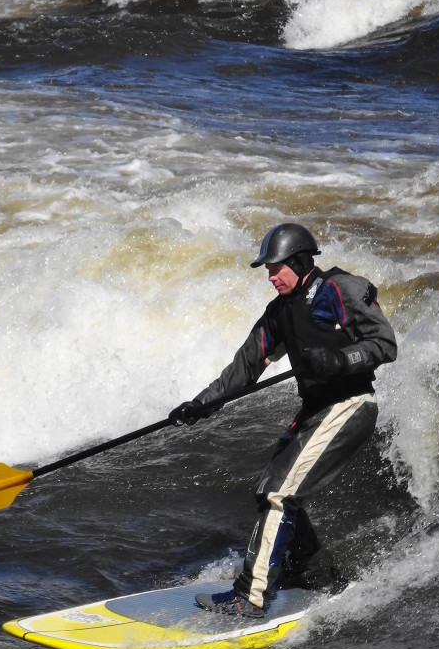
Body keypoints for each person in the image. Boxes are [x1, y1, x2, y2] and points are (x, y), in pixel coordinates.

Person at [170, 223, 397, 619]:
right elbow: (246, 365)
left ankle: (250, 597)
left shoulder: (339, 290)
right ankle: (313, 573)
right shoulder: (279, 312)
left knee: (280, 494)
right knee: (269, 491)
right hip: (315, 411)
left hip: (350, 404)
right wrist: (202, 403)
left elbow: (384, 343)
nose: (271, 277)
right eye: (267, 271)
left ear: (299, 261)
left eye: (276, 268)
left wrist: (339, 360)